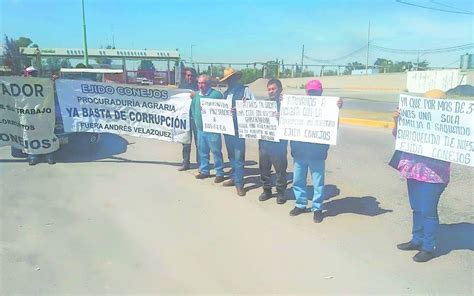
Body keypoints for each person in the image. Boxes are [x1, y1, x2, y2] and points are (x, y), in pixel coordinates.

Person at [393, 89, 451, 263]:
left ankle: (429, 246)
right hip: (414, 170)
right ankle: (416, 239)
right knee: (416, 208)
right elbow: (398, 136)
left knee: (428, 211)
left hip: (434, 175)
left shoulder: (449, 124)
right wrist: (398, 121)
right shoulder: (416, 118)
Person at [289, 79, 342, 223]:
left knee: (318, 183)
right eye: (311, 92)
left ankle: (317, 208)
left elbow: (333, 126)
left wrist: (336, 110)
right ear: (307, 92)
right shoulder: (298, 106)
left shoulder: (327, 108)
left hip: (317, 153)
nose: (313, 94)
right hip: (299, 151)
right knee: (298, 180)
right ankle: (300, 204)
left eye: (316, 92)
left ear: (321, 92)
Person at [219, 68, 254, 196]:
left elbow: (254, 107)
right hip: (228, 129)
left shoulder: (245, 90)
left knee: (239, 157)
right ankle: (234, 177)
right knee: (231, 156)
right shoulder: (225, 93)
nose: (229, 81)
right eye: (227, 79)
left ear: (236, 78)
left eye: (231, 78)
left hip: (239, 129)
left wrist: (241, 107)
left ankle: (239, 184)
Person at [258, 79, 287, 204]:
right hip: (264, 143)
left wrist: (283, 116)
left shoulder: (286, 105)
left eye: (273, 89)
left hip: (279, 144)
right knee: (264, 168)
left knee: (280, 170)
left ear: (280, 89)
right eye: (269, 89)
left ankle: (280, 192)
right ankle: (267, 190)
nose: (271, 91)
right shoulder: (263, 104)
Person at [191, 74, 225, 183]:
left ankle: (219, 173)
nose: (201, 85)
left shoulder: (216, 95)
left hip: (213, 130)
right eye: (199, 83)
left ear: (208, 84)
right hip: (200, 130)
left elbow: (224, 109)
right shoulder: (196, 95)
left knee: (216, 151)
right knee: (202, 151)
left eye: (203, 83)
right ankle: (204, 171)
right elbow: (193, 108)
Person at [19, 66, 56, 165]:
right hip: (27, 114)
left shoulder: (43, 84)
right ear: (26, 74)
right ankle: (33, 156)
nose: (33, 76)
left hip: (42, 113)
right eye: (31, 74)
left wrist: (54, 81)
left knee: (45, 133)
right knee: (30, 134)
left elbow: (51, 90)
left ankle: (49, 155)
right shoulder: (20, 84)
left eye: (35, 74)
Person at [178, 67, 199, 171]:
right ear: (185, 76)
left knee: (199, 142)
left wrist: (197, 94)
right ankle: (185, 163)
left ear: (195, 76)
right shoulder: (182, 86)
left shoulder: (199, 86)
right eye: (188, 75)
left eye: (192, 75)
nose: (190, 77)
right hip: (185, 118)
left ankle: (201, 164)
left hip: (197, 118)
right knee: (186, 142)